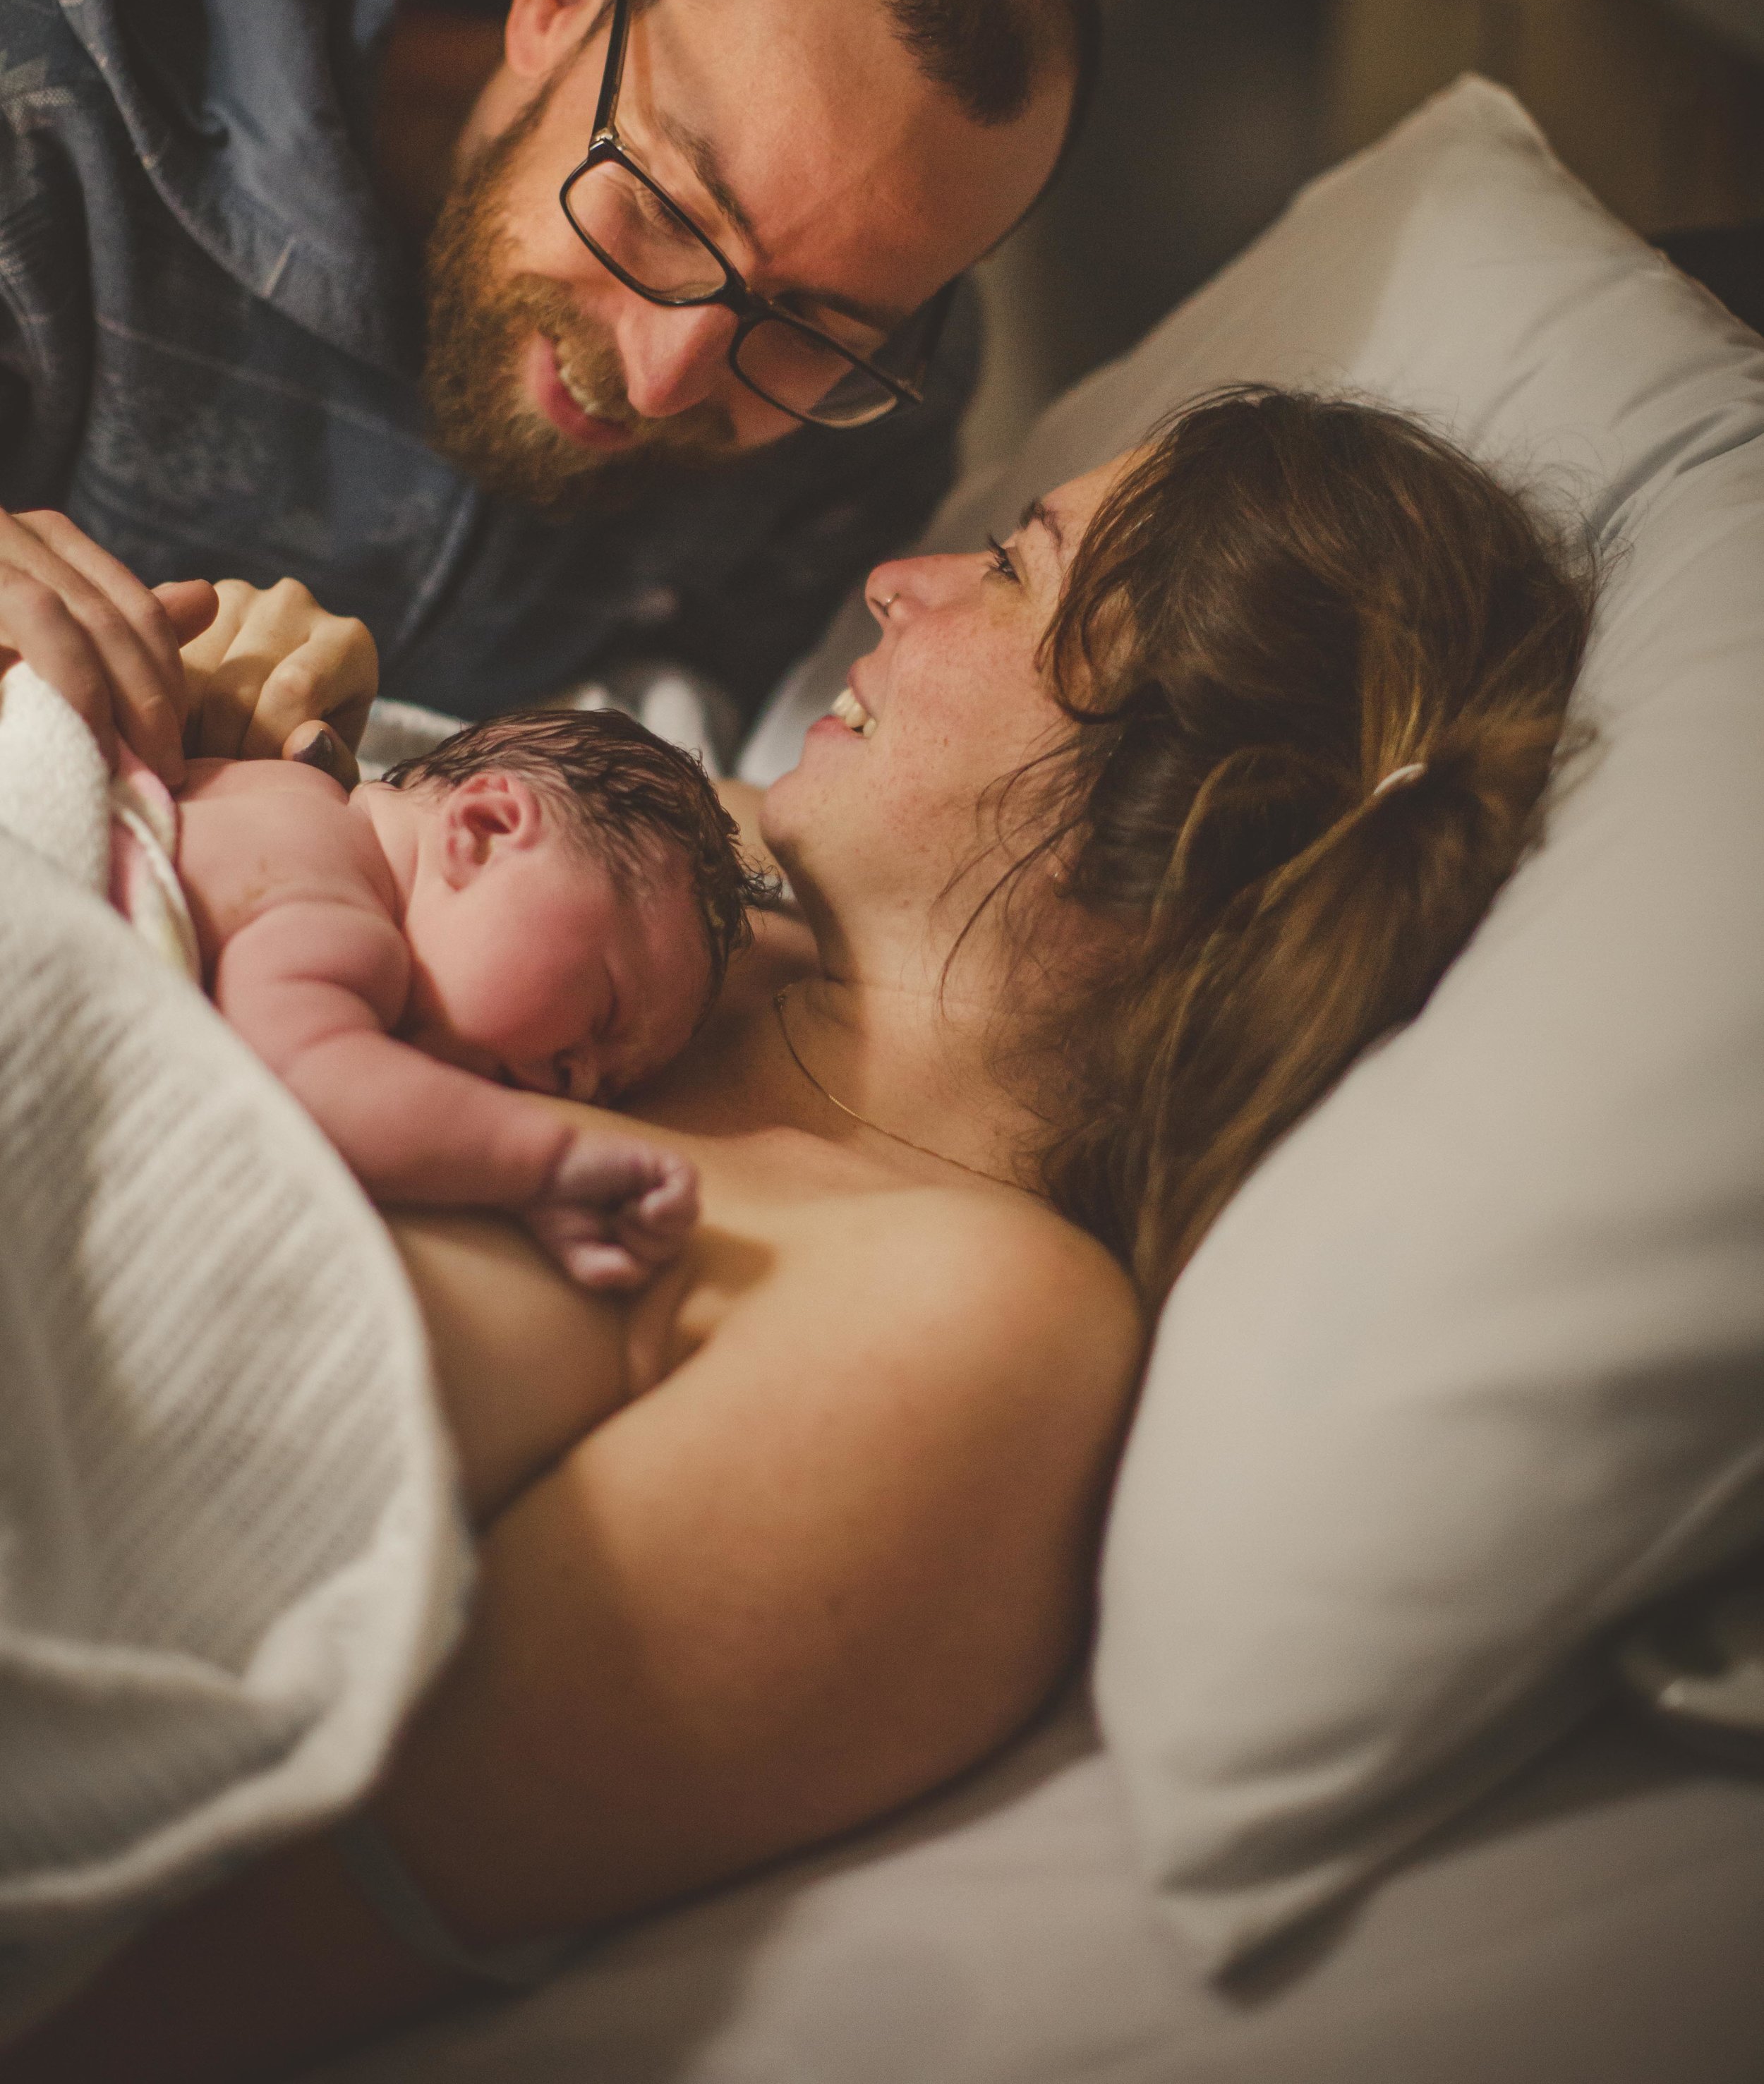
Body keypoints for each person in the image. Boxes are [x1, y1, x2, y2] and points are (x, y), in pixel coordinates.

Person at [0, 388, 1596, 2082]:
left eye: (1009, 564)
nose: (901, 578)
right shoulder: (672, 874)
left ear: (1171, 801)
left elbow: (230, 1956)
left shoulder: (961, 1323)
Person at [0, 0, 1097, 747]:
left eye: (810, 324)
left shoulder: (880, 391)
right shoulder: (43, 130)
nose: (664, 381)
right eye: (667, 213)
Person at [173, 710, 774, 1288]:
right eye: (605, 1012)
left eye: (615, 1090)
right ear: (484, 829)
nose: (580, 1085)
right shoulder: (335, 906)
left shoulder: (270, 785)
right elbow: (317, 1082)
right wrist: (545, 1167)